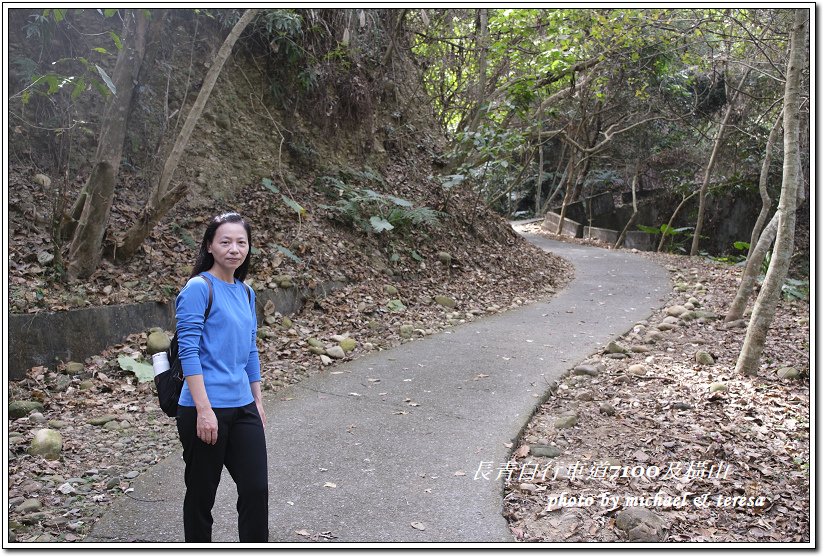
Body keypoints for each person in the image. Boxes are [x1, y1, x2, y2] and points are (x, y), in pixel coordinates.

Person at [174, 211, 269, 542]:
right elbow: (188, 352)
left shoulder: (246, 292)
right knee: (202, 496)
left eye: (241, 242)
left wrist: (257, 400)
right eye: (225, 241)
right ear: (210, 247)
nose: (234, 249)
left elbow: (250, 350)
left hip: (243, 406)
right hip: (204, 408)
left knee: (256, 489)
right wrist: (203, 410)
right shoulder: (198, 288)